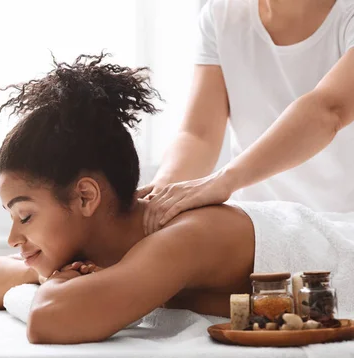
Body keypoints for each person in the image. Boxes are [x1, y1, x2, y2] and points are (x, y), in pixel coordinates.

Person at [0, 53, 256, 344]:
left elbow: (48, 320)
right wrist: (53, 275)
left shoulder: (181, 236)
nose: (13, 238)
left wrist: (57, 281)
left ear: (85, 197)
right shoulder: (102, 249)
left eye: (25, 216)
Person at [138, 0, 354, 234]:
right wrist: (161, 192)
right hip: (257, 225)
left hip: (342, 226)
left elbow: (328, 110)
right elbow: (199, 135)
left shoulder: (346, 15)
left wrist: (224, 181)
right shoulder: (221, 15)